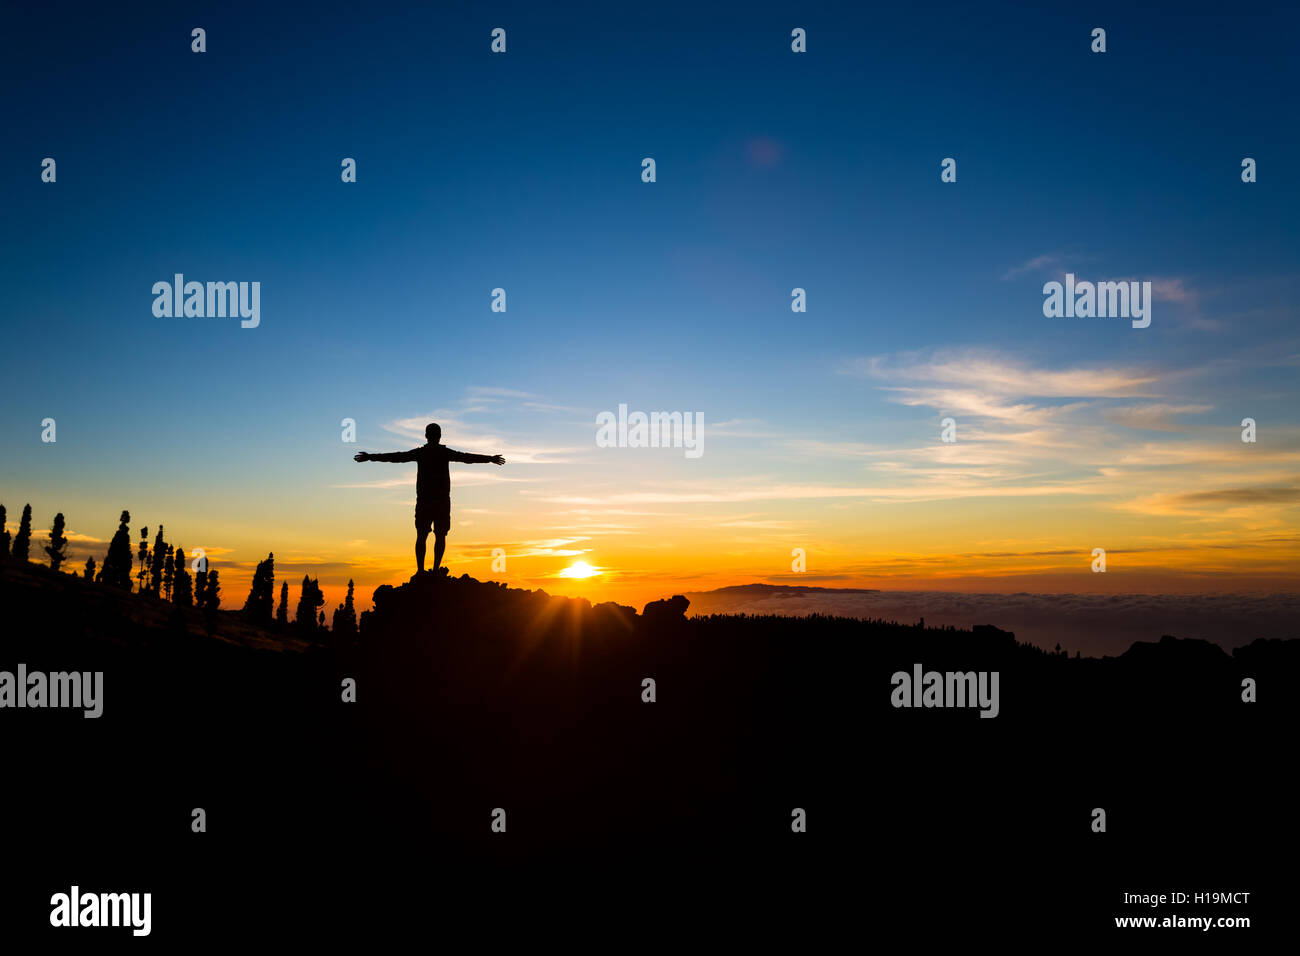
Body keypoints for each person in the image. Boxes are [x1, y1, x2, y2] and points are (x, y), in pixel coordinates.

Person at [354, 423, 504, 573]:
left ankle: (422, 571)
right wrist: (489, 459)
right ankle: (434, 569)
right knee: (439, 535)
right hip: (439, 501)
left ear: (426, 436)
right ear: (439, 436)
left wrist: (370, 457)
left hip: (427, 501)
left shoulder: (423, 453)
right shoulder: (442, 453)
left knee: (423, 535)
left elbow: (397, 457)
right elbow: (466, 458)